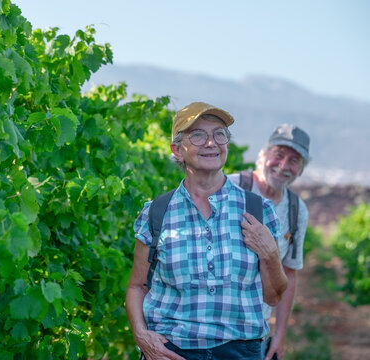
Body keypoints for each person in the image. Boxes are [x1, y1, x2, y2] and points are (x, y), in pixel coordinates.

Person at [126, 101, 288, 360]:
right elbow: (137, 286)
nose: (211, 143)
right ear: (177, 150)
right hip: (171, 350)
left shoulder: (258, 210)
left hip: (241, 351)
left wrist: (269, 253)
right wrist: (142, 336)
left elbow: (274, 296)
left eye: (219, 134)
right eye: (198, 135)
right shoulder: (157, 212)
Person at [228, 124, 310, 360]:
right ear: (263, 155)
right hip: (210, 325)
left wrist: (279, 335)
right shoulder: (230, 186)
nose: (284, 166)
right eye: (279, 155)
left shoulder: (296, 210)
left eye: (294, 161)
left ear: (301, 170)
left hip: (254, 330)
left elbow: (289, 274)